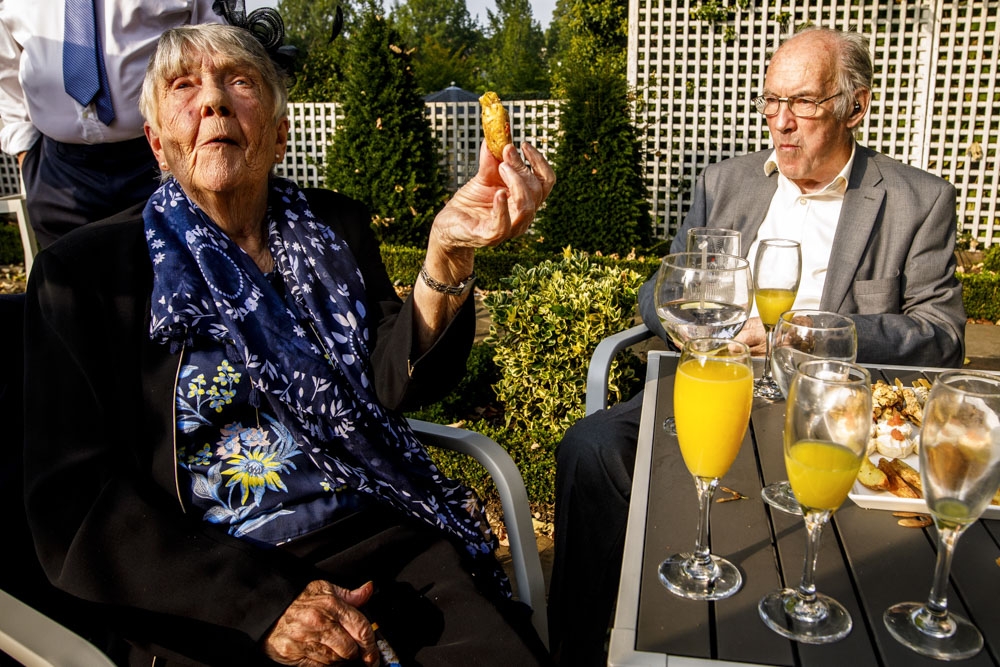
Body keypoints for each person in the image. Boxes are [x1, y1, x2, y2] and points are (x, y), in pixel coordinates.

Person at [23, 23, 555, 666]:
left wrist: (447, 254)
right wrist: (263, 603)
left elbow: (399, 382)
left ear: (278, 133)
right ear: (157, 144)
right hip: (214, 590)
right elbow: (73, 503)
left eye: (239, 81)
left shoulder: (336, 225)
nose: (213, 101)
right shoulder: (87, 275)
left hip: (386, 540)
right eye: (184, 86)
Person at [548, 26, 965, 666]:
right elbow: (660, 291)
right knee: (590, 447)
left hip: (828, 405)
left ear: (856, 106)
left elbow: (942, 334)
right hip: (719, 376)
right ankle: (574, 649)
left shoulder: (917, 200)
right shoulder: (725, 185)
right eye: (771, 103)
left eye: (802, 103)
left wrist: (818, 334)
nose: (781, 122)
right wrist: (709, 328)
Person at [0, 0, 222, 249]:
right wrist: (25, 155)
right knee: (69, 280)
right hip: (61, 171)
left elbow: (220, 43)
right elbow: (6, 63)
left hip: (167, 159)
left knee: (181, 276)